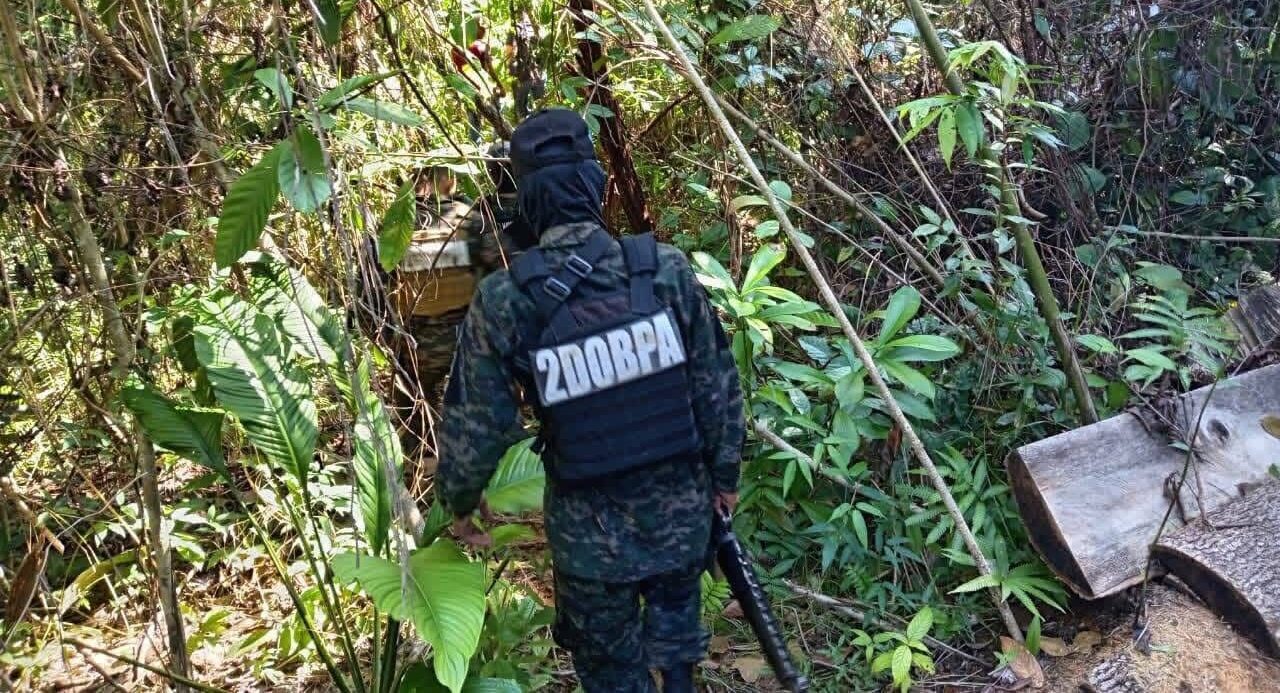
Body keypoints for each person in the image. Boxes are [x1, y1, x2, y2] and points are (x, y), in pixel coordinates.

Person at [437, 108, 744, 693]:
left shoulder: (507, 300)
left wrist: (461, 501)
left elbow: (479, 420)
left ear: (525, 200)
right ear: (595, 185)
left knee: (610, 672)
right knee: (678, 652)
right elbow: (716, 384)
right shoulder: (663, 271)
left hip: (589, 540)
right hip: (681, 517)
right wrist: (724, 476)